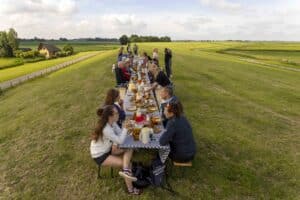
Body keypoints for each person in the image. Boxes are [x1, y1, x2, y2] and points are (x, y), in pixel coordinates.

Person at [90, 105, 141, 195]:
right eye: (116, 113)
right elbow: (120, 140)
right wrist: (125, 128)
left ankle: (126, 170)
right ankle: (131, 189)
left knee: (130, 147)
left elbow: (120, 133)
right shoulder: (106, 129)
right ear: (110, 116)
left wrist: (126, 129)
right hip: (100, 155)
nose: (119, 114)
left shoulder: (112, 122)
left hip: (108, 148)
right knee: (128, 163)